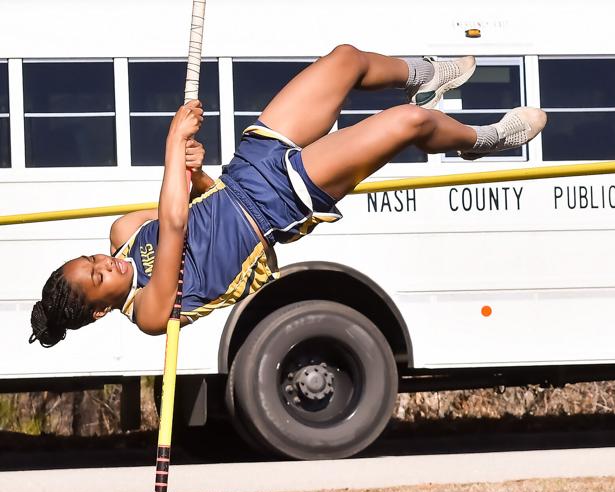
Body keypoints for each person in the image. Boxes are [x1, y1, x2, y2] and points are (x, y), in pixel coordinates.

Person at [29, 45, 546, 347]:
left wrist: (199, 174)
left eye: (92, 259)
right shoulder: (148, 313)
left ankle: (423, 75)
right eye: (98, 276)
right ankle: (481, 141)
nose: (107, 262)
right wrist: (171, 142)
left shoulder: (121, 234)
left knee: (344, 60)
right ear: (100, 311)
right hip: (277, 206)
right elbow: (174, 229)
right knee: (408, 124)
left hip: (247, 169)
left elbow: (197, 205)